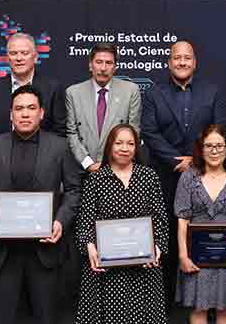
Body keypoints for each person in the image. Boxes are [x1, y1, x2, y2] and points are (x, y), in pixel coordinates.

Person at [0, 85, 82, 324]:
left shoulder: (60, 146)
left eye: (31, 108)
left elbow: (74, 190)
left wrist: (60, 222)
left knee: (47, 317)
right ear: (10, 114)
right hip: (3, 251)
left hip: (45, 251)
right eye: (18, 108)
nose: (24, 114)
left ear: (41, 113)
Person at [140, 39, 226, 300]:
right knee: (166, 234)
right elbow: (149, 132)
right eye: (177, 58)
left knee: (204, 234)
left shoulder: (212, 92)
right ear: (169, 62)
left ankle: (206, 300)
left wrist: (197, 158)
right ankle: (166, 301)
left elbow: (220, 130)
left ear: (195, 62)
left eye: (187, 58)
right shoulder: (154, 93)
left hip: (206, 175)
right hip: (166, 176)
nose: (182, 62)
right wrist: (176, 160)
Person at [75, 123, 168, 324]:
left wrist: (158, 247)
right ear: (110, 146)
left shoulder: (149, 177)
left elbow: (160, 219)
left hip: (143, 269)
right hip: (105, 272)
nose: (124, 148)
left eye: (130, 144)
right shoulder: (96, 179)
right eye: (119, 143)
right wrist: (89, 247)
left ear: (137, 148)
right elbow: (84, 222)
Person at [175, 124, 226, 323]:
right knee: (199, 309)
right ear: (201, 149)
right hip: (196, 256)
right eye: (209, 146)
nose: (214, 150)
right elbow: (183, 220)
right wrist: (183, 256)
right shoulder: (188, 177)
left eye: (219, 145)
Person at [66, 42, 142, 173]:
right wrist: (88, 163)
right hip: (82, 170)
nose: (103, 68)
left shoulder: (130, 91)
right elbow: (71, 133)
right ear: (90, 65)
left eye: (109, 63)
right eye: (99, 62)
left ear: (115, 67)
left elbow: (133, 133)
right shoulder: (73, 93)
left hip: (118, 169)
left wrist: (111, 164)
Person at [0, 32, 67, 140]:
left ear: (35, 57)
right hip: (2, 155)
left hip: (44, 155)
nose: (19, 58)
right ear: (7, 58)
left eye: (24, 53)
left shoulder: (53, 89)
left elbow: (60, 132)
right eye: (13, 53)